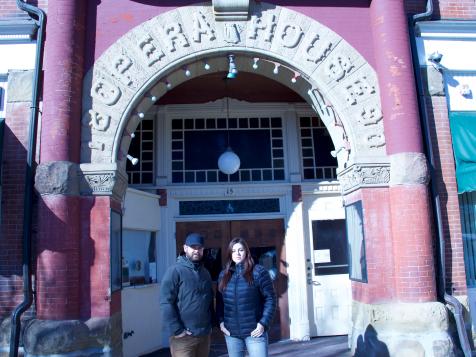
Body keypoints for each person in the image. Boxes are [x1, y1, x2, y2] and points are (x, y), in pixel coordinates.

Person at [216, 237, 276, 357]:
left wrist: (263, 323)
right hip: (231, 334)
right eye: (233, 251)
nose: (237, 253)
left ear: (246, 252)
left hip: (255, 333)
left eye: (240, 250)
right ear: (230, 254)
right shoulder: (224, 275)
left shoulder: (259, 272)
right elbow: (219, 302)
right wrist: (221, 322)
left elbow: (270, 299)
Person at [160, 233, 214, 357]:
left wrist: (211, 324)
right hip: (183, 339)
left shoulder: (205, 273)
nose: (196, 250)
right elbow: (165, 302)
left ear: (203, 250)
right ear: (185, 248)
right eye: (193, 247)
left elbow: (209, 300)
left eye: (199, 248)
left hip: (204, 335)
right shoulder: (175, 271)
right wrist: (178, 330)